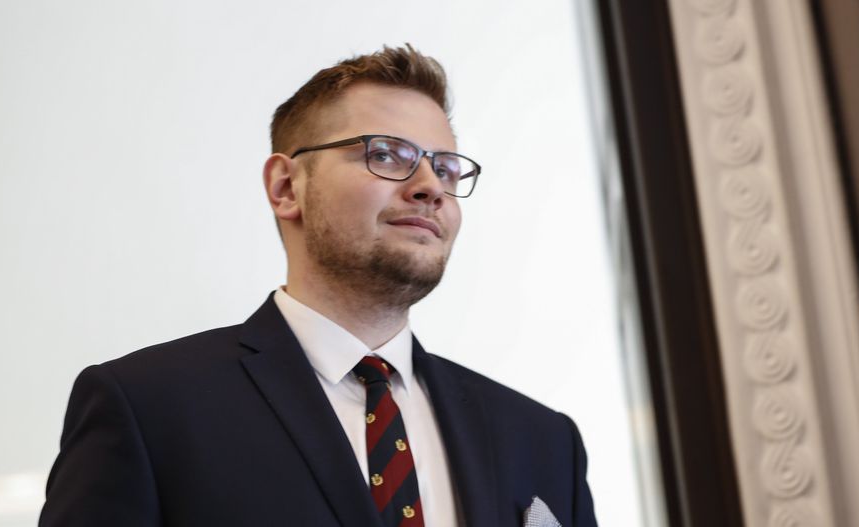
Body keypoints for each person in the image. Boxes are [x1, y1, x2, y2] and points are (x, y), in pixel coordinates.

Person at [40, 44, 597, 527]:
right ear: (287, 187)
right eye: (387, 155)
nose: (431, 187)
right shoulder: (148, 407)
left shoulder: (543, 441)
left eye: (446, 169)